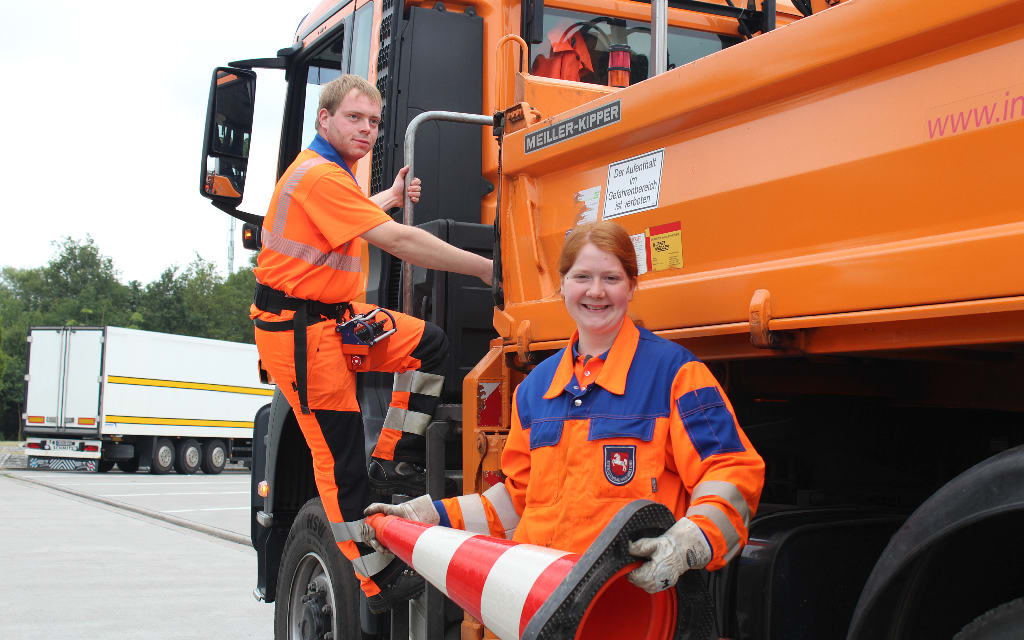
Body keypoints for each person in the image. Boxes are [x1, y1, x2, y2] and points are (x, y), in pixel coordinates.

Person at [364, 220, 764, 595]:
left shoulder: (676, 375)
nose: (596, 292)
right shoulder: (536, 390)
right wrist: (431, 517)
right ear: (562, 285)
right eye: (582, 277)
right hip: (544, 604)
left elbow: (731, 471)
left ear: (631, 286)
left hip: (632, 610)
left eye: (611, 278)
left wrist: (689, 542)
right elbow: (517, 502)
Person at [250, 74, 493, 613]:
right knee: (338, 461)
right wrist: (485, 268)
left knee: (427, 345)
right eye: (355, 118)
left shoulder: (330, 176)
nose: (367, 129)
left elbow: (349, 220)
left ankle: (394, 457)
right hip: (302, 337)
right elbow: (400, 240)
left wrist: (388, 195)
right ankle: (374, 578)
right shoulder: (320, 177)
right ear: (324, 119)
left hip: (337, 320)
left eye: (375, 122)